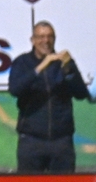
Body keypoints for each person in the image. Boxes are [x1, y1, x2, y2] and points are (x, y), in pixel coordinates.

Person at [8, 21, 89, 173]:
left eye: (50, 37)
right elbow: (15, 89)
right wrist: (40, 67)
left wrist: (69, 69)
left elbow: (80, 93)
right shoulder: (23, 62)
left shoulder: (63, 63)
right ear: (33, 40)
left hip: (61, 141)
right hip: (32, 139)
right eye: (41, 37)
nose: (45, 41)